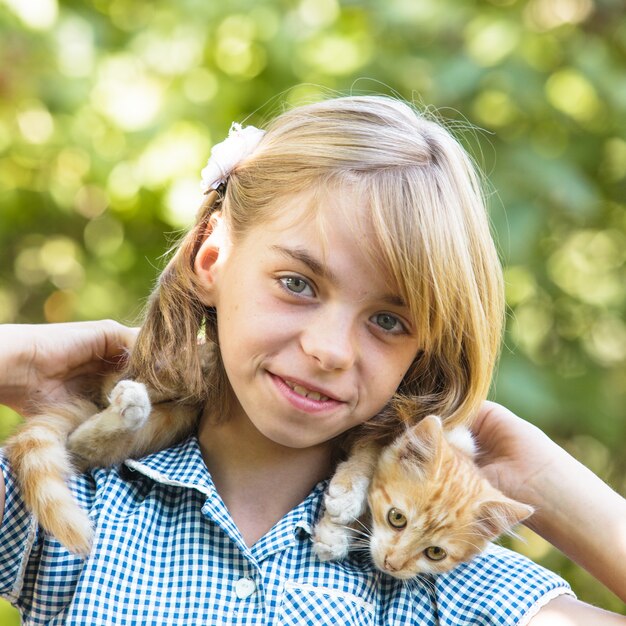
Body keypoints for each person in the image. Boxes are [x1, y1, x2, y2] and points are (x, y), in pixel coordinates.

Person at [0, 97, 624, 624]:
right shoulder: (76, 486)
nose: (329, 350)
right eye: (298, 283)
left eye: (388, 321)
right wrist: (17, 355)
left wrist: (544, 484)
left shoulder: (430, 572)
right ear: (212, 258)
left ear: (423, 350)